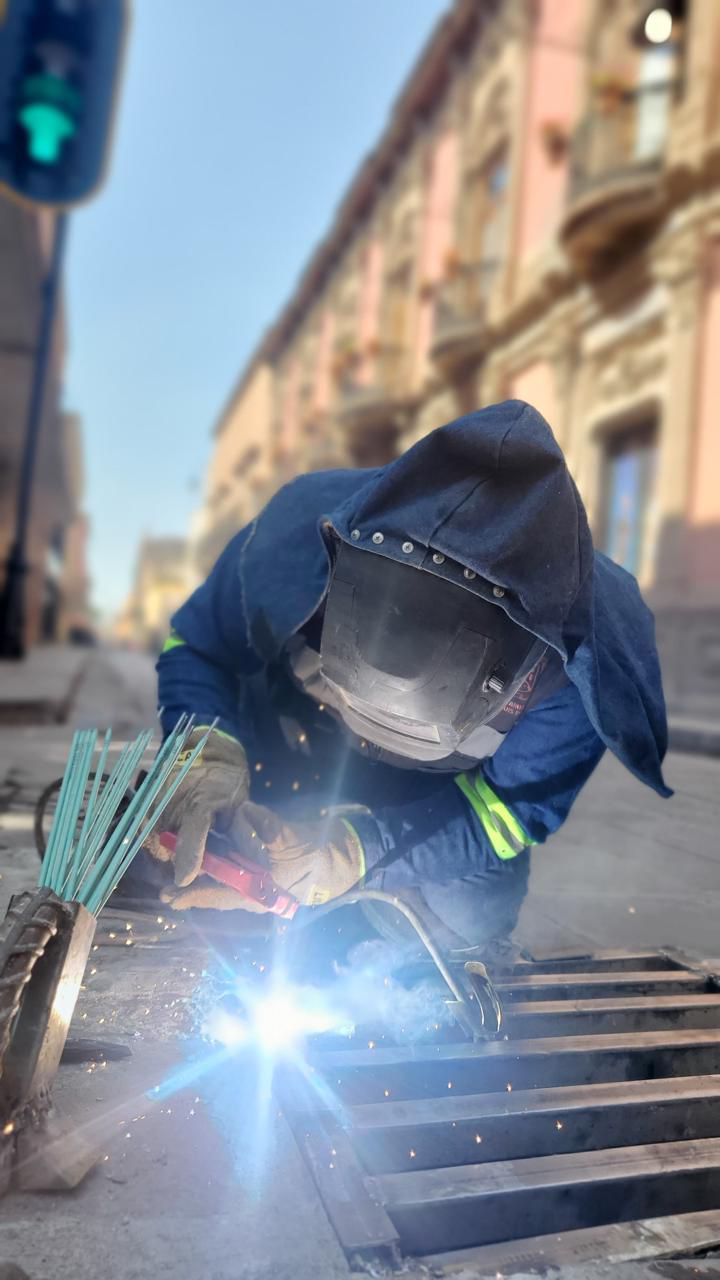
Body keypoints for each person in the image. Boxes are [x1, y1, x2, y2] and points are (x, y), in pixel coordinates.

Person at [145, 400, 670, 953]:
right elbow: (197, 645)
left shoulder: (587, 661)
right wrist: (204, 753)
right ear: (340, 564)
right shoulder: (294, 535)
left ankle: (392, 930)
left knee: (468, 914)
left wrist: (358, 851)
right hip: (291, 747)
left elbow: (506, 814)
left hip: (427, 800)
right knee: (184, 856)